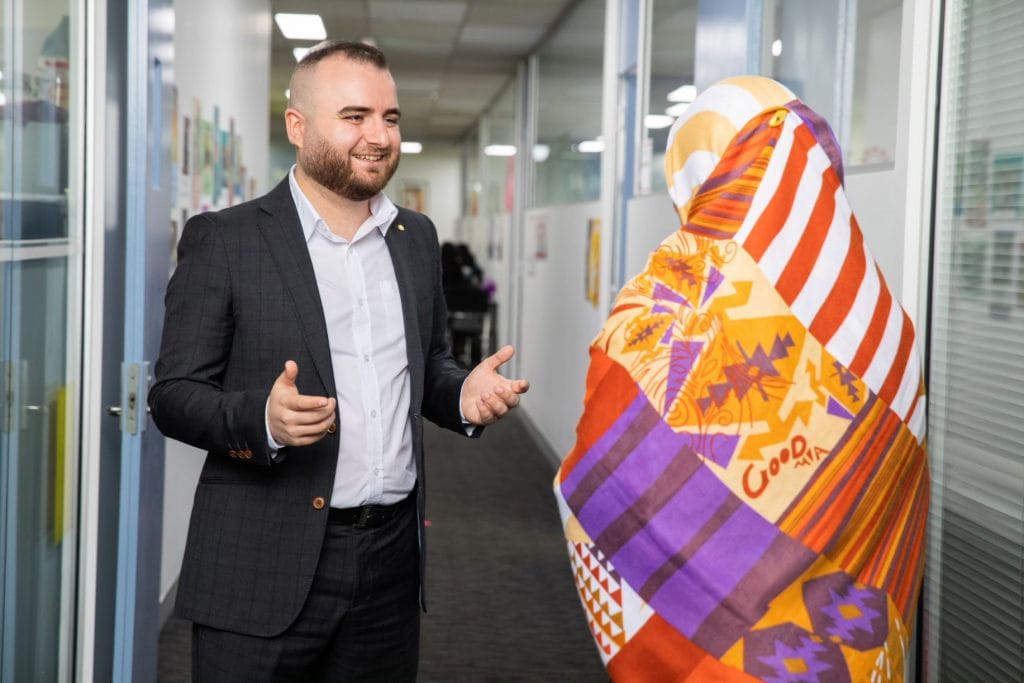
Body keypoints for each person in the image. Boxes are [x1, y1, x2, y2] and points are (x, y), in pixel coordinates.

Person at [148, 40, 528, 682]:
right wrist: (262, 420)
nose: (378, 136)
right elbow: (173, 394)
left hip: (389, 563)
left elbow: (427, 365)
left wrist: (461, 394)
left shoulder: (416, 238)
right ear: (298, 127)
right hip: (260, 562)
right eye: (355, 116)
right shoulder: (228, 240)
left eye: (390, 117)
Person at [553, 76, 928, 681]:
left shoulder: (671, 296)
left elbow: (609, 447)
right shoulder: (887, 317)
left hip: (723, 639)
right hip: (847, 636)